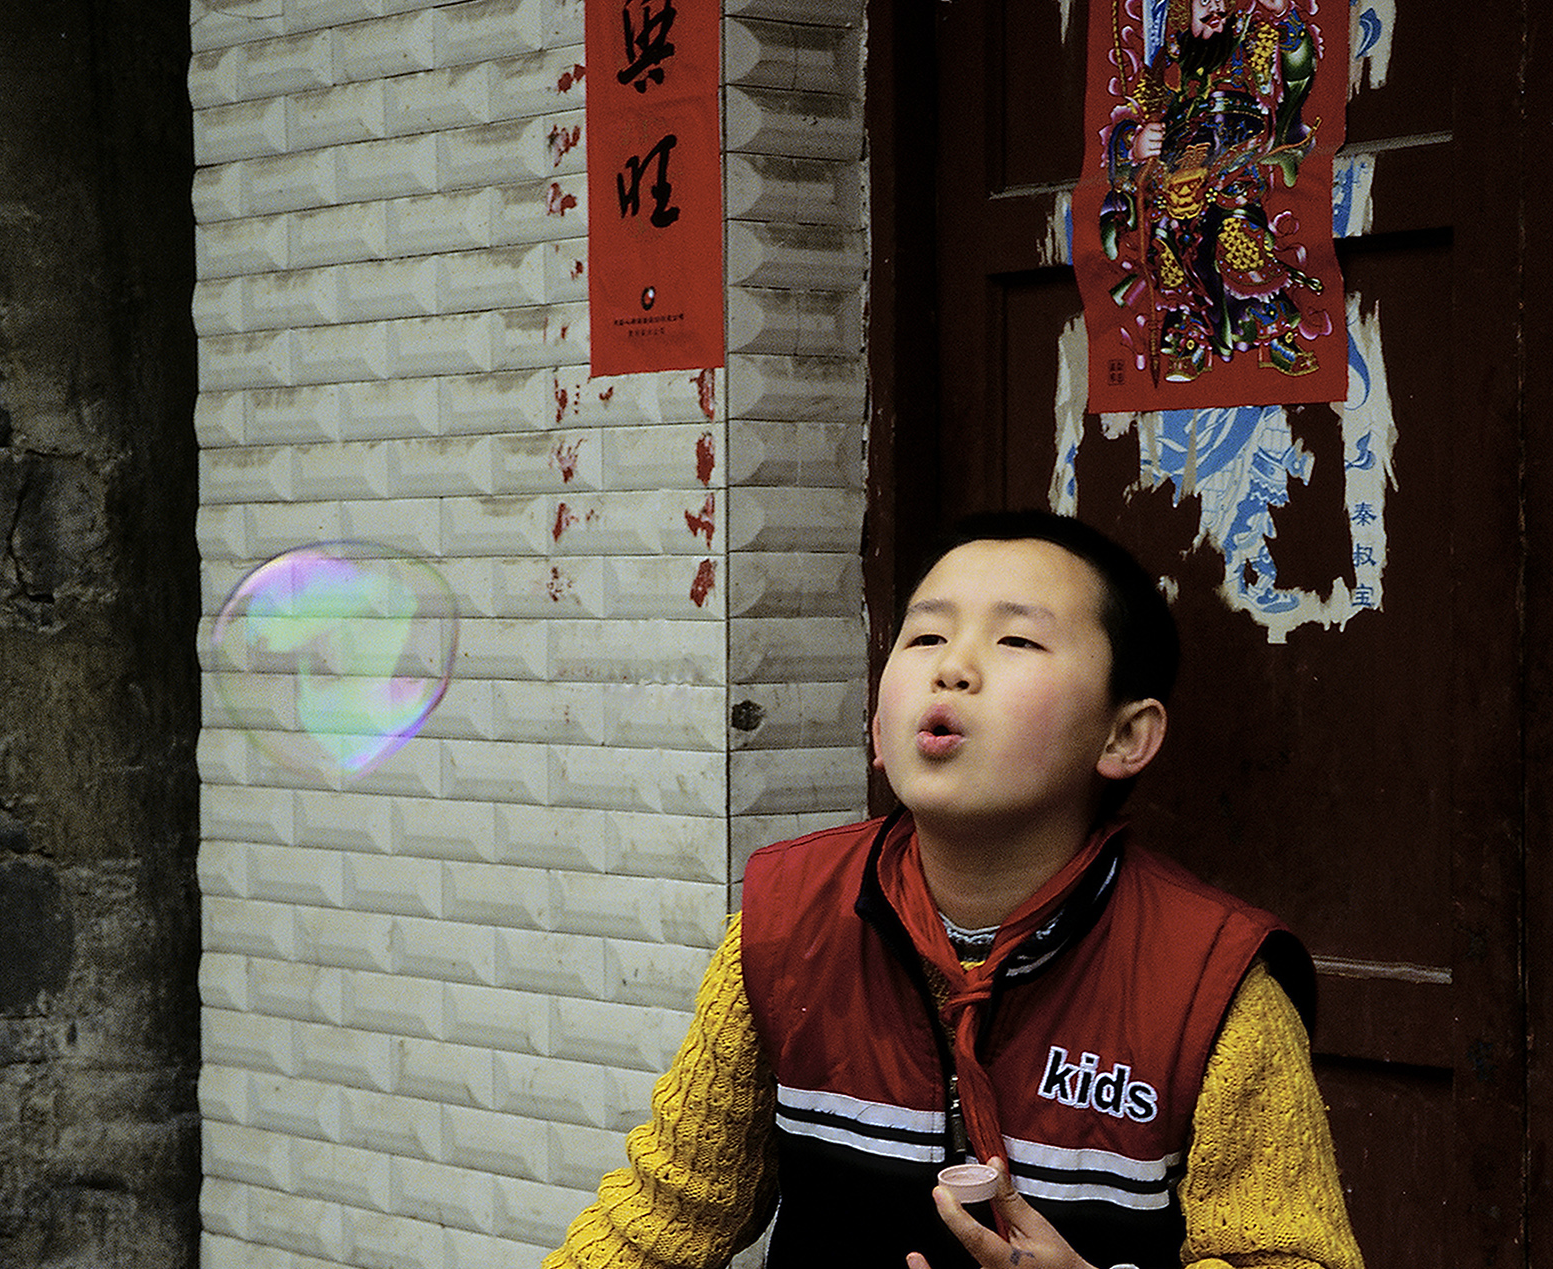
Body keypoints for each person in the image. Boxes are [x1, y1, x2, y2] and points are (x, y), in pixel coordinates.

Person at [544, 510, 1364, 1269]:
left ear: (1124, 734)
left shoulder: (1210, 984)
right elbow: (666, 1217)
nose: (953, 667)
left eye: (1016, 642)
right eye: (926, 634)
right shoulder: (787, 924)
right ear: (876, 723)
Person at [1098, 0, 1326, 384]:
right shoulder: (1169, 61)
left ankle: (1275, 339)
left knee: (1240, 241)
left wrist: (1284, 14)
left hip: (1232, 164)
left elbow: (1299, 68)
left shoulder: (1251, 35)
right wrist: (1136, 144)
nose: (1216, 5)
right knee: (1168, 251)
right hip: (1177, 173)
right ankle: (1190, 340)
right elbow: (1143, 118)